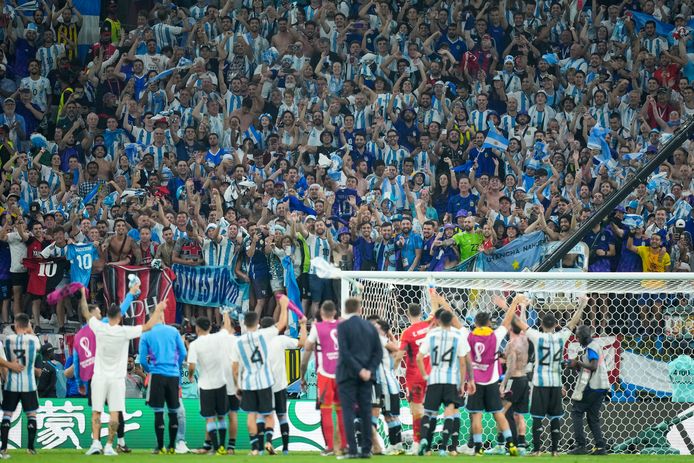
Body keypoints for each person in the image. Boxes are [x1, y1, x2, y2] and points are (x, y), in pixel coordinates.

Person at [81, 287, 165, 456]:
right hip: (117, 379)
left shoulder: (99, 327)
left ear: (107, 316)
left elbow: (86, 313)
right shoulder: (124, 331)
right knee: (114, 413)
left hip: (99, 377)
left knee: (96, 411)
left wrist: (83, 295)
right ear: (120, 317)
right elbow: (148, 326)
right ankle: (110, 446)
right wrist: (158, 309)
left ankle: (96, 443)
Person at [514, 294, 588, 456]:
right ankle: (555, 450)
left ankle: (537, 450)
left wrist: (523, 307)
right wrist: (582, 305)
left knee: (537, 417)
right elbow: (573, 323)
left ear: (541, 324)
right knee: (555, 417)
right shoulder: (561, 337)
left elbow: (522, 324)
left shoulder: (537, 336)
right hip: (555, 383)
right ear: (556, 324)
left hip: (540, 383)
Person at [231, 295, 289, 456]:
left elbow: (235, 368)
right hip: (264, 381)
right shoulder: (263, 335)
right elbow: (282, 324)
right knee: (268, 414)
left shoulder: (238, 342)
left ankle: (255, 448)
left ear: (244, 324)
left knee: (252, 415)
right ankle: (269, 441)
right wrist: (283, 306)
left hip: (248, 382)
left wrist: (238, 386)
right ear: (257, 324)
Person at [416, 293, 473, 457]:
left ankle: (425, 444)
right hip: (451, 380)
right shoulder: (459, 335)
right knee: (450, 411)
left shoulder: (431, 334)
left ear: (439, 320)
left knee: (429, 413)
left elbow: (420, 357)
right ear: (451, 321)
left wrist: (425, 376)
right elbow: (463, 362)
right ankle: (444, 448)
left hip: (434, 379)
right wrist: (462, 383)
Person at [466, 294, 523, 456]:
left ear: (476, 323)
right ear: (489, 323)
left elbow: (455, 323)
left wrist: (442, 303)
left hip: (475, 382)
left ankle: (478, 448)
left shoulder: (469, 336)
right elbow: (507, 320)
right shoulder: (495, 336)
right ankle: (511, 444)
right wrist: (515, 302)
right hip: (491, 381)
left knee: (476, 416)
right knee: (498, 413)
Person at [336, 297, 383, 459]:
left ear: (346, 309)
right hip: (367, 377)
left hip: (347, 375)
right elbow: (378, 352)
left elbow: (345, 352)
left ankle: (353, 449)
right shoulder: (370, 328)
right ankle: (366, 449)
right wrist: (368, 370)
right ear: (360, 309)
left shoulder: (343, 327)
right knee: (365, 412)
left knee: (348, 412)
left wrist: (359, 369)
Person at [300, 301, 348, 456]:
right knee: (342, 411)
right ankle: (345, 445)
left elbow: (307, 350)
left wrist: (302, 373)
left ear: (321, 313)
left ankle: (329, 447)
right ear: (335, 312)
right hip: (342, 374)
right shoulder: (343, 326)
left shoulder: (317, 328)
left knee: (326, 411)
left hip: (324, 374)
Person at [139, 309, 187, 454]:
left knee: (158, 412)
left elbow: (142, 360)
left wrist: (151, 369)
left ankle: (160, 447)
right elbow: (183, 353)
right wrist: (175, 366)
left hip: (157, 375)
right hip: (173, 376)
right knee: (173, 412)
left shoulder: (146, 334)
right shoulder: (173, 331)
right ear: (162, 317)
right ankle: (172, 446)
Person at [187, 312, 235, 455]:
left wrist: (190, 376)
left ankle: (216, 447)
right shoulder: (218, 338)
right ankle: (221, 445)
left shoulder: (195, 345)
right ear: (209, 327)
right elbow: (226, 329)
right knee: (221, 416)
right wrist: (226, 315)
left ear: (197, 328)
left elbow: (191, 365)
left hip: (206, 384)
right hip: (221, 383)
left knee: (210, 417)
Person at [260, 312, 307, 455]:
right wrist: (303, 325)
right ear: (274, 327)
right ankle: (285, 449)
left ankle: (264, 444)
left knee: (264, 416)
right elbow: (302, 343)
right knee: (282, 416)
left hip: (262, 384)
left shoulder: (256, 340)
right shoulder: (280, 340)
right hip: (279, 384)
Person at [0, 313, 40, 457]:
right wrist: (30, 330)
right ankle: (30, 448)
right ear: (28, 324)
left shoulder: (8, 340)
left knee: (7, 415)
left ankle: (3, 448)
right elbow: (37, 348)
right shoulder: (34, 340)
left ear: (16, 325)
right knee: (31, 415)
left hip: (11, 384)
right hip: (29, 384)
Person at [567, 325, 610, 456]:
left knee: (576, 412)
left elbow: (593, 366)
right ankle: (600, 447)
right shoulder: (594, 345)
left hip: (594, 386)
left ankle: (581, 445)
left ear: (584, 337)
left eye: (578, 336)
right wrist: (577, 365)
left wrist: (578, 363)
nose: (577, 339)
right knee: (592, 417)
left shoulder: (591, 348)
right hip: (602, 386)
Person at [399, 302, 431, 455]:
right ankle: (427, 443)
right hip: (430, 374)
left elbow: (400, 354)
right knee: (428, 410)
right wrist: (433, 294)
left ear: (407, 314)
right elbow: (436, 313)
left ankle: (417, 444)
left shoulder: (407, 332)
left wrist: (392, 368)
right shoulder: (428, 325)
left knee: (416, 410)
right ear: (421, 312)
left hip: (414, 376)